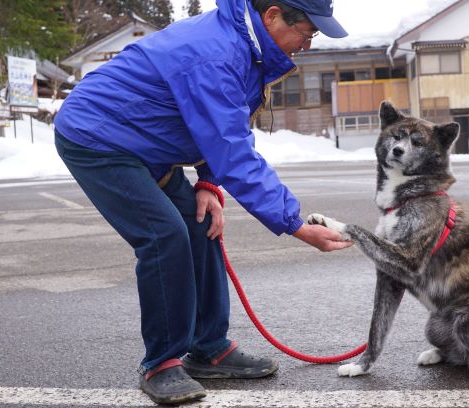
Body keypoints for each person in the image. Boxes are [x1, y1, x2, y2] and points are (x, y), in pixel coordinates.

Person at [54, 0, 351, 404]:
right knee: (164, 235)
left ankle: (209, 348)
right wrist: (295, 224)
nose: (307, 44)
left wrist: (209, 184)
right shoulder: (215, 52)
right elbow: (232, 149)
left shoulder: (246, 44)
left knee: (201, 223)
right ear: (273, 15)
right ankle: (161, 362)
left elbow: (220, 127)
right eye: (307, 33)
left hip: (148, 142)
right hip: (98, 137)